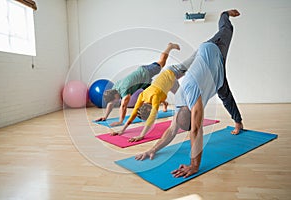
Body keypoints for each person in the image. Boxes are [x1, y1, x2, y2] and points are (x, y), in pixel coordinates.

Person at [135, 9, 244, 178]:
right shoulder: (179, 102)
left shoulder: (191, 93)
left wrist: (194, 165)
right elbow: (171, 131)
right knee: (226, 96)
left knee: (226, 29)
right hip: (217, 78)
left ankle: (225, 13)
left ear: (192, 112)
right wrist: (153, 149)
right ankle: (239, 123)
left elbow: (196, 130)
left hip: (213, 48)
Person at [111, 49, 198, 142]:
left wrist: (141, 135)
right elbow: (134, 113)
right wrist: (122, 130)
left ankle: (200, 50)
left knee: (191, 62)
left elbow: (152, 117)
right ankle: (192, 116)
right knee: (183, 99)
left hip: (173, 72)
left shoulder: (155, 98)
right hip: (170, 82)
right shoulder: (142, 96)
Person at [95, 43, 180, 127]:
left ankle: (169, 47)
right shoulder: (114, 89)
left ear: (115, 95)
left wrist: (120, 121)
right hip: (142, 82)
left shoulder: (125, 92)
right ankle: (165, 103)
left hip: (146, 72)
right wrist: (105, 117)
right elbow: (110, 103)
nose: (115, 102)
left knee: (162, 62)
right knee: (153, 95)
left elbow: (123, 106)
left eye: (114, 100)